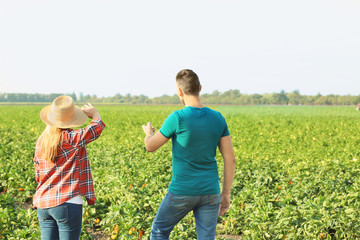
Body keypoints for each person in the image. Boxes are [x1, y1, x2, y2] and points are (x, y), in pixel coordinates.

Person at [142, 69, 236, 239]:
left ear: (179, 91)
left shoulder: (177, 118)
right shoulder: (218, 118)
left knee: (159, 231)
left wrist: (148, 133)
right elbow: (230, 159)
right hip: (210, 191)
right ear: (200, 87)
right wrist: (226, 194)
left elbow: (150, 146)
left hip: (182, 190)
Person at [32, 95, 105, 240]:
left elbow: (38, 174)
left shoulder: (41, 141)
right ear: (71, 120)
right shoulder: (69, 138)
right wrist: (95, 114)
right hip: (67, 202)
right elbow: (95, 129)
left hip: (44, 203)